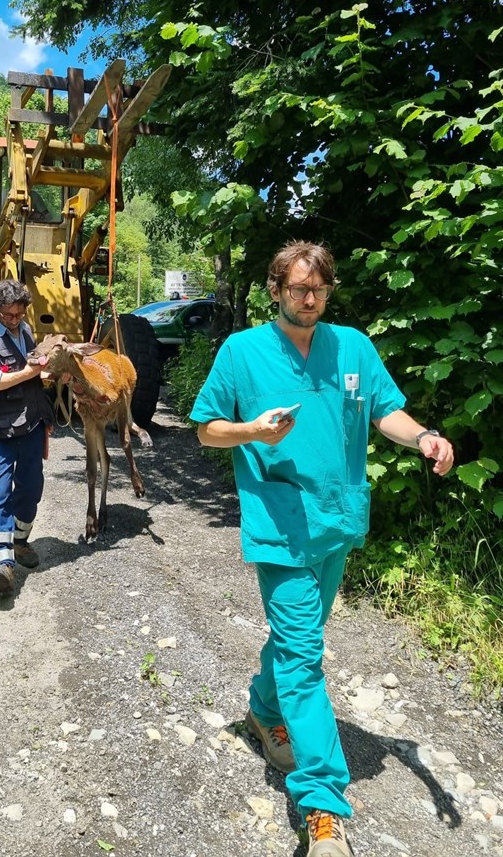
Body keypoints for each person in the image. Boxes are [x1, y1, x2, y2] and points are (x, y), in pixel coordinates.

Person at [189, 241, 454, 857]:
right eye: (298, 288)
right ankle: (323, 806)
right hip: (280, 525)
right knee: (305, 657)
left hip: (337, 521)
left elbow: (387, 411)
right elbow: (206, 429)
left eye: (319, 289)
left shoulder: (352, 347)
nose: (309, 299)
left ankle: (262, 708)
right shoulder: (242, 352)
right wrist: (252, 431)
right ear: (276, 289)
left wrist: (425, 437)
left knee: (297, 638)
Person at [0, 279, 55, 597]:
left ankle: (19, 542)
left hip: (30, 426)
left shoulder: (25, 330)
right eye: (8, 315)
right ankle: (1, 565)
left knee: (30, 491)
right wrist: (30, 373)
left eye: (19, 314)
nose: (15, 320)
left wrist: (48, 376)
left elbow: (30, 371)